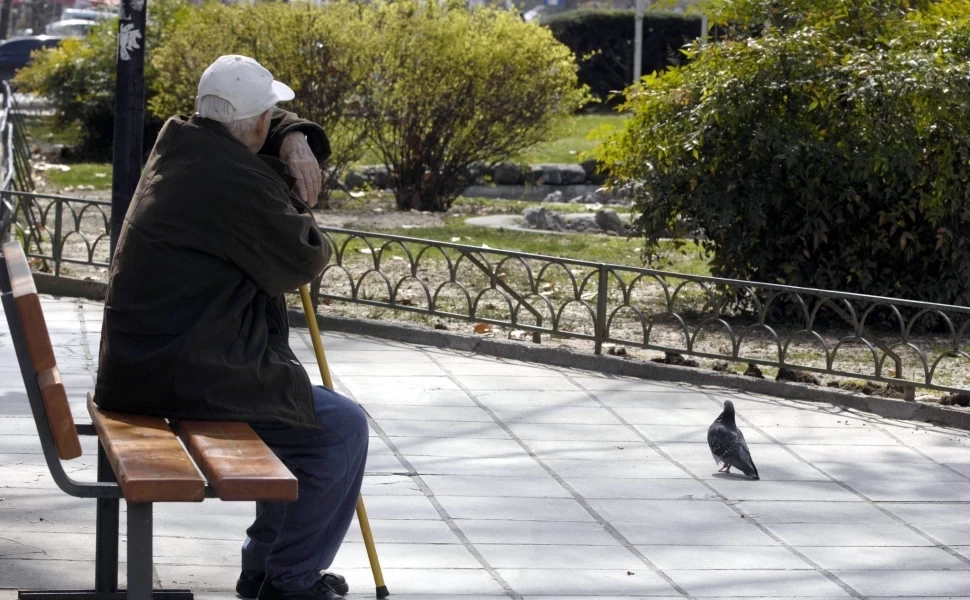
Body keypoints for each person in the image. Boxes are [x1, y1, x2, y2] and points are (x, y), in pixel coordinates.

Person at [94, 55, 368, 600]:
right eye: (273, 117)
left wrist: (291, 137)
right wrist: (292, 180)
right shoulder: (231, 180)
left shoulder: (186, 146)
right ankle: (289, 580)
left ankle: (266, 568)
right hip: (182, 372)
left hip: (153, 362)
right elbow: (304, 258)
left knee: (296, 412)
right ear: (259, 124)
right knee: (339, 430)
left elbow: (247, 132)